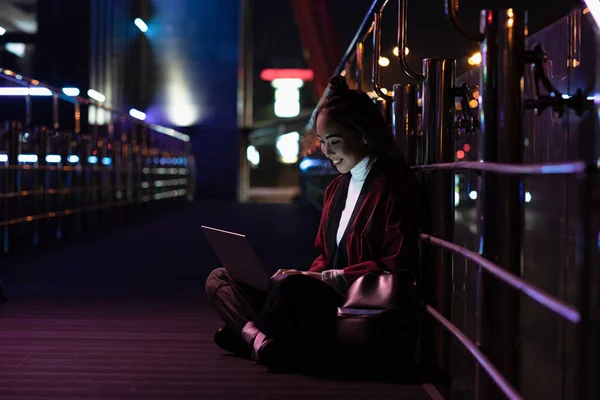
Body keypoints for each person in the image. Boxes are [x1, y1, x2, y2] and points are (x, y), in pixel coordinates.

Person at [205, 75, 423, 370]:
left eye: (334, 141)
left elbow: (397, 265)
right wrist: (305, 275)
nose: (326, 151)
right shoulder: (336, 189)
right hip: (317, 295)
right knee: (220, 278)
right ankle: (261, 340)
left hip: (352, 303)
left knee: (290, 293)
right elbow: (323, 255)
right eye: (322, 142)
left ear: (365, 134)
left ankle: (249, 334)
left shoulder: (393, 186)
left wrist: (319, 279)